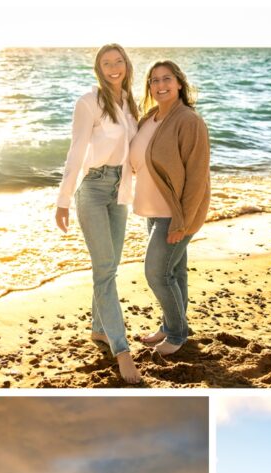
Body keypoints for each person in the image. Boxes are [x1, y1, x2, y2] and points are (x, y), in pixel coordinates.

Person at [55, 44, 141, 384]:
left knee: (109, 267)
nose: (113, 67)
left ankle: (98, 329)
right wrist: (62, 200)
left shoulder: (130, 104)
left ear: (126, 65)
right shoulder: (88, 102)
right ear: (98, 69)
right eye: (106, 63)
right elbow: (76, 151)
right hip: (91, 189)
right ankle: (122, 350)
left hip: (120, 190)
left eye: (118, 61)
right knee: (105, 272)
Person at [131, 60, 210, 356]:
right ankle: (168, 327)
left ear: (179, 83)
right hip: (152, 210)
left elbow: (197, 176)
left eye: (166, 79)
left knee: (156, 273)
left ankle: (177, 333)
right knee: (174, 273)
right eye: (154, 80)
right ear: (149, 87)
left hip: (174, 213)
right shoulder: (149, 118)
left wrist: (183, 222)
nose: (160, 85)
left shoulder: (189, 121)